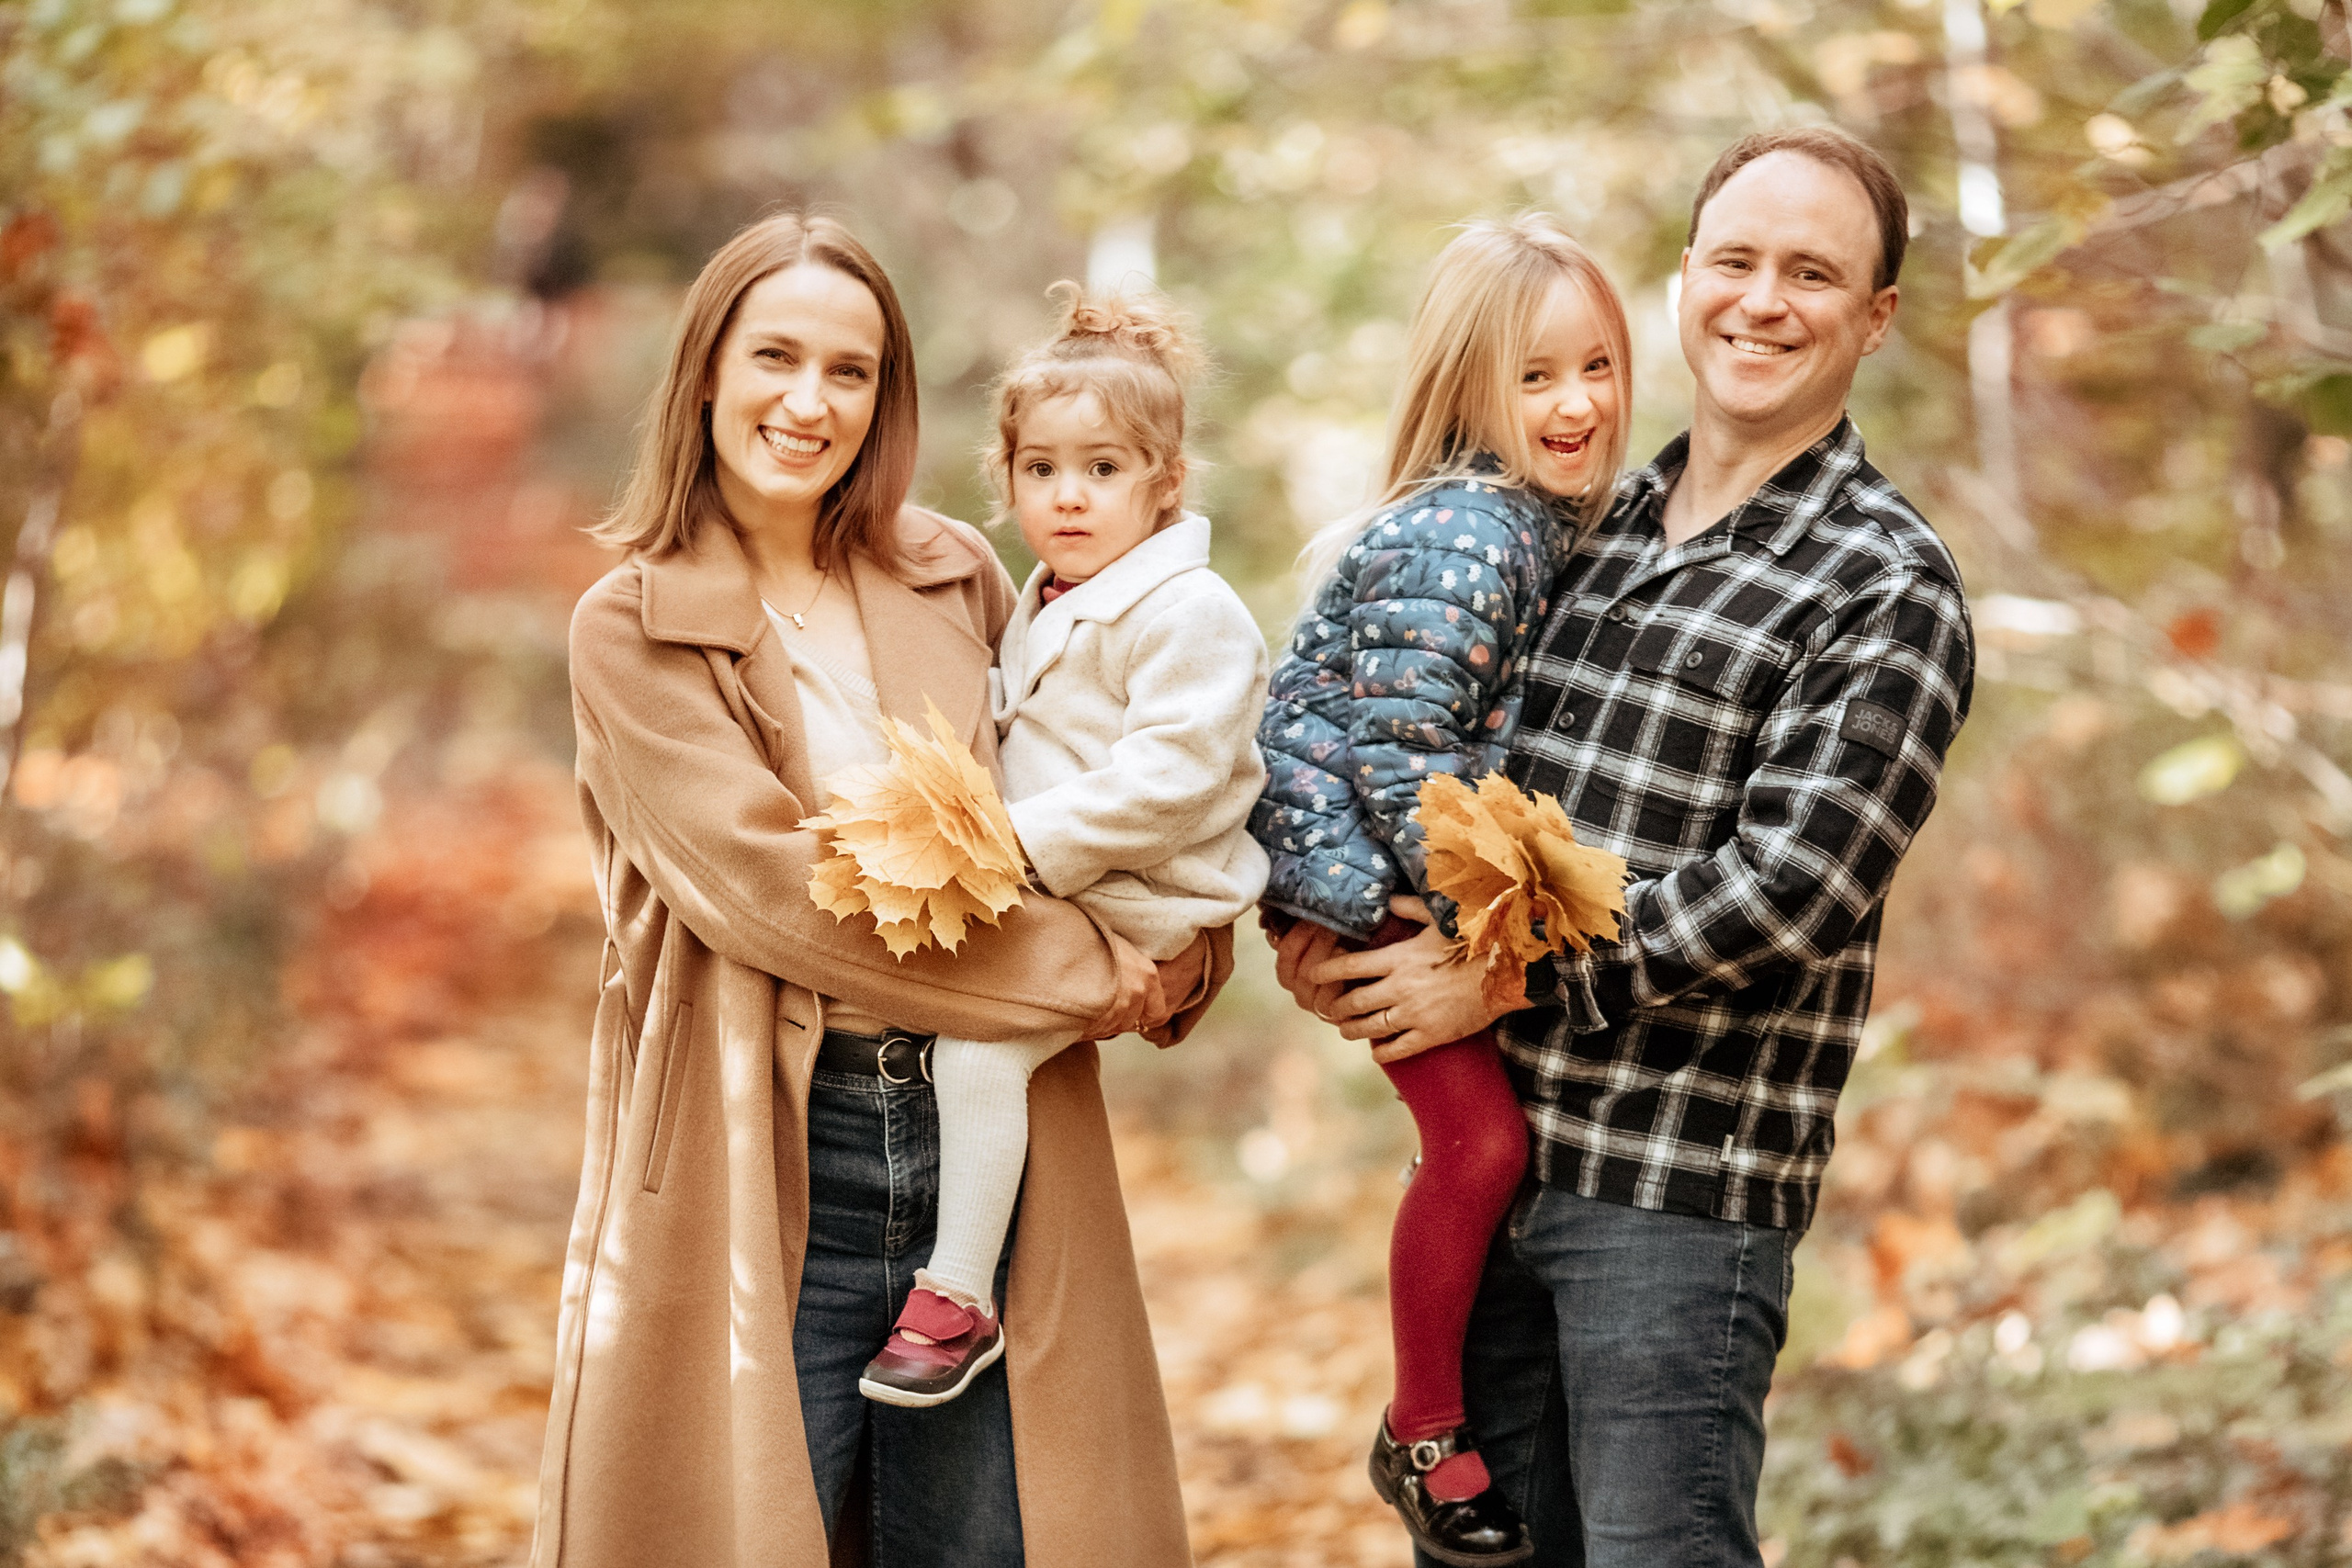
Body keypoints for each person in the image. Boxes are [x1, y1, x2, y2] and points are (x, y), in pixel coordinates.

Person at [1280, 127, 1977, 1567]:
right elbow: (1426, 763)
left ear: (1876, 316)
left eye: (1811, 272)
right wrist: (1340, 927)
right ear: (1685, 281)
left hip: (1672, 1199)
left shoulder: (1882, 581)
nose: (1763, 300)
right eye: (1735, 261)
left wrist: (1500, 977)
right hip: (1497, 1171)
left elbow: (1790, 888)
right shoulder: (1578, 527)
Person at [533, 212, 1224, 1568]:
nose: (810, 401)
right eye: (775, 356)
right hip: (776, 1148)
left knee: (992, 1539)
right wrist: (1095, 970)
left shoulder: (957, 569)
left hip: (992, 1139)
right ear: (708, 375)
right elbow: (774, 893)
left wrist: (1193, 946)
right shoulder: (632, 622)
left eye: (849, 371)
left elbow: (1099, 768)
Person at [1253, 213, 1632, 1566]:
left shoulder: (1521, 516)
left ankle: (1434, 1409)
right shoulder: (1479, 527)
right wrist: (1483, 924)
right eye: (1536, 376)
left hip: (1351, 849)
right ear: (1472, 386)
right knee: (1481, 1148)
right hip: (1361, 864)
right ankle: (1422, 1427)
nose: (1578, 402)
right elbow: (1406, 744)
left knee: (1482, 1149)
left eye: (1598, 365)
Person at [857, 285, 1270, 1407]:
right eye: (1041, 471)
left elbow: (1172, 778)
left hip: (1144, 886)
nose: (1069, 498)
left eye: (1102, 471)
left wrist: (1009, 846)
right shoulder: (1043, 596)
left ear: (1165, 481)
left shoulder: (1191, 610)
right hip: (1070, 877)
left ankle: (958, 1298)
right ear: (1007, 480)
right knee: (953, 1029)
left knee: (978, 1052)